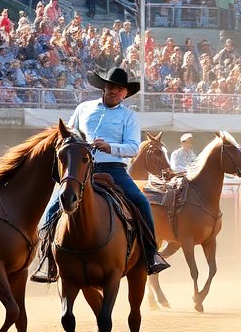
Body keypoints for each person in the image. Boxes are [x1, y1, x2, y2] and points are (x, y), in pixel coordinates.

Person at [31, 66, 169, 283]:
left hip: (115, 169)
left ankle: (151, 255)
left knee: (141, 202)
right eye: (112, 86)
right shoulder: (83, 108)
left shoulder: (129, 117)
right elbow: (68, 134)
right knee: (52, 210)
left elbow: (133, 147)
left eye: (121, 89)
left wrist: (110, 147)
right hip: (80, 169)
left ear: (125, 94)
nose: (116, 91)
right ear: (104, 87)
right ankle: (46, 260)